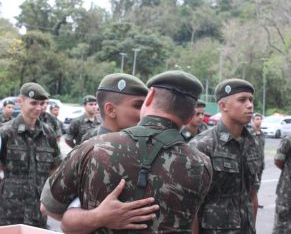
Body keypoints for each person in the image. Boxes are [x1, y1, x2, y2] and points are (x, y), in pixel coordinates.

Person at [41, 70, 213, 233]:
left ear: (150, 96)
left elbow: (51, 208)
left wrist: (97, 217)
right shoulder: (201, 163)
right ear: (191, 115)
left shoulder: (94, 148)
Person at [189, 78, 260, 234]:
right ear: (223, 106)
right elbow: (191, 205)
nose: (250, 105)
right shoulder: (202, 145)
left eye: (250, 100)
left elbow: (252, 195)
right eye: (242, 100)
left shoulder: (252, 143)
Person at [0, 82, 61, 228]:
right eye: (33, 103)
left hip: (37, 211)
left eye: (42, 103)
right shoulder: (5, 132)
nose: (39, 108)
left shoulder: (48, 134)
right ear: (20, 102)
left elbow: (54, 170)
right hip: (9, 210)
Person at [80, 73, 148, 143]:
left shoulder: (142, 144)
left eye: (145, 106)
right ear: (110, 110)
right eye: (138, 106)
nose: (145, 112)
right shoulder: (89, 144)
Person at [249, 112, 265, 209]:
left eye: (260, 119)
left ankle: (255, 201)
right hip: (252, 164)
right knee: (251, 184)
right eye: (257, 119)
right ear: (252, 121)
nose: (258, 121)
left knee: (258, 184)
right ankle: (249, 201)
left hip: (260, 163)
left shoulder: (262, 134)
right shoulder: (249, 134)